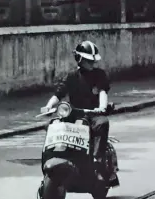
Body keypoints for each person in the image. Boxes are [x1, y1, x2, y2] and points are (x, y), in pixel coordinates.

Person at [41, 41, 111, 181]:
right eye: (88, 61)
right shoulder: (71, 76)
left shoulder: (99, 75)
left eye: (93, 61)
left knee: (102, 123)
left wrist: (102, 107)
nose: (91, 64)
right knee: (51, 125)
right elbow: (58, 94)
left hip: (93, 115)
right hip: (73, 115)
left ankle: (97, 161)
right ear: (80, 59)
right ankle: (51, 157)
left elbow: (103, 91)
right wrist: (48, 107)